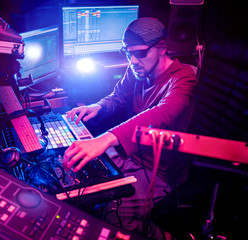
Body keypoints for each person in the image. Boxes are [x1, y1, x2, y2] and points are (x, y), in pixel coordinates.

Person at [63, 17, 198, 239]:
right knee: (79, 183)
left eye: (140, 53)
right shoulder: (138, 69)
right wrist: (98, 106)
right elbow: (118, 96)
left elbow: (161, 113)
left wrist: (105, 139)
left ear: (162, 48)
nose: (133, 60)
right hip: (127, 156)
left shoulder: (184, 79)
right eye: (128, 53)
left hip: (159, 172)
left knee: (111, 215)